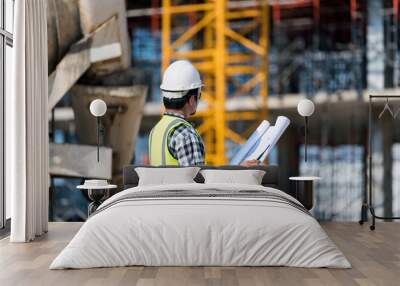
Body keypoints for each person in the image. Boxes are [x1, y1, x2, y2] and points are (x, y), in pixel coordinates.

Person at [149, 60, 259, 166]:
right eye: (199, 96)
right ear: (191, 99)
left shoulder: (155, 131)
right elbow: (199, 182)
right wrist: (240, 172)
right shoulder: (185, 134)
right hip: (181, 186)